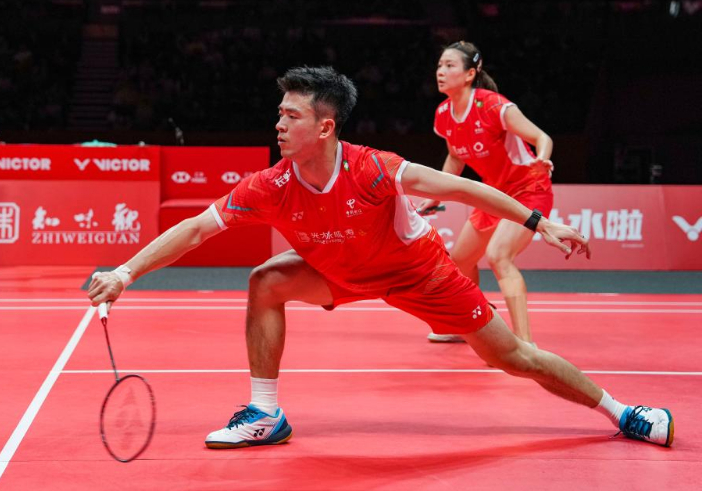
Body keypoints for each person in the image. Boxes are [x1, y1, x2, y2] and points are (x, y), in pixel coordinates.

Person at [88, 66, 673, 450]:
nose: (278, 124)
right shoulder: (270, 185)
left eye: (291, 116)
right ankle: (265, 415)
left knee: (513, 357)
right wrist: (125, 272)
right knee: (266, 280)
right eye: (279, 113)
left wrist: (540, 223)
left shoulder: (374, 169)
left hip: (419, 273)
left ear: (325, 127)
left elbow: (465, 190)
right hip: (340, 273)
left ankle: (623, 413)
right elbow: (196, 229)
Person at [418, 41, 553, 346]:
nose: (440, 71)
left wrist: (543, 159)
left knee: (499, 255)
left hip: (528, 189)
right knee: (460, 260)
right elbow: (456, 158)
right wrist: (436, 194)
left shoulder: (493, 106)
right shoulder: (444, 114)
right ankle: (472, 323)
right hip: (493, 194)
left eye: (449, 65)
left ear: (469, 74)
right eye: (439, 65)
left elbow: (541, 137)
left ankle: (524, 345)